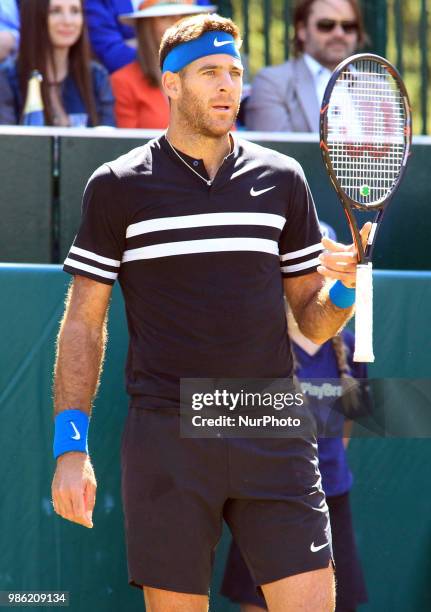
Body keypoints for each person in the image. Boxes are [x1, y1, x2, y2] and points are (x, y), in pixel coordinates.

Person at [51, 12, 371, 612]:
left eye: (234, 72)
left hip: (269, 420)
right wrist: (71, 446)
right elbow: (83, 323)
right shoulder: (116, 186)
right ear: (171, 84)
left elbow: (311, 319)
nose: (228, 86)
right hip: (166, 429)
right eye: (209, 73)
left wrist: (345, 291)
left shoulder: (283, 179)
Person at [220, 223, 369, 612]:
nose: (312, 277)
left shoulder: (350, 348)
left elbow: (350, 422)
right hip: (264, 496)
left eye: (321, 268)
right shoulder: (257, 345)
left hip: (332, 494)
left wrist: (324, 468)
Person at [245, 0, 366, 132]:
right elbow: (273, 151)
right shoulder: (271, 83)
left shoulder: (378, 87)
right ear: (302, 30)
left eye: (348, 26)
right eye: (326, 25)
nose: (339, 33)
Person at [0, 0, 115, 127]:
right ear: (34, 17)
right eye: (55, 11)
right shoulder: (6, 78)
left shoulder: (97, 77)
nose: (68, 21)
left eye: (75, 11)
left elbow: (108, 140)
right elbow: (7, 143)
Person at [111, 0, 216, 129]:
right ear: (146, 27)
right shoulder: (123, 81)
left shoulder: (212, 77)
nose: (179, 25)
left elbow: (228, 137)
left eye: (185, 16)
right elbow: (125, 145)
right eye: (165, 17)